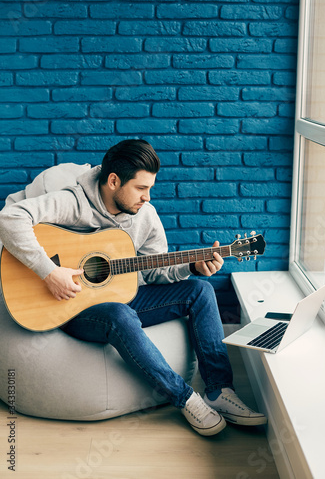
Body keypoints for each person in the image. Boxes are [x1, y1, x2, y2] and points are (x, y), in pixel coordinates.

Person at [0, 139, 267, 436]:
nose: (147, 198)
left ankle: (219, 391)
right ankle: (185, 397)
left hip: (121, 295)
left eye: (150, 188)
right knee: (119, 315)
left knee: (200, 290)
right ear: (114, 181)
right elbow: (10, 218)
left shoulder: (145, 217)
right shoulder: (72, 201)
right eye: (141, 189)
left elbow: (154, 272)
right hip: (69, 305)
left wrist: (191, 267)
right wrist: (49, 272)